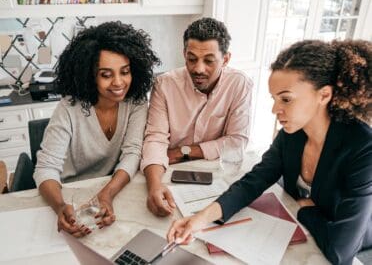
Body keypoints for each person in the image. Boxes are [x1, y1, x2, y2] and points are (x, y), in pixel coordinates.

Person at [167, 39, 372, 265]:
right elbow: (256, 180)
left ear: (323, 95)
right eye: (274, 99)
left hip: (351, 241)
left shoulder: (363, 149)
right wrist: (199, 219)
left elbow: (340, 251)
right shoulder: (293, 133)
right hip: (307, 234)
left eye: (286, 99)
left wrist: (305, 211)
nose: (275, 109)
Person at [33, 21, 160, 237]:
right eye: (106, 74)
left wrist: (107, 194)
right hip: (69, 192)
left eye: (125, 72)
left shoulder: (136, 101)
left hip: (112, 188)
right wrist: (60, 206)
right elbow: (45, 168)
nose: (119, 83)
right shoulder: (69, 108)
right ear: (90, 75)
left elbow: (133, 152)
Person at [141, 17, 253, 217]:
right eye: (192, 59)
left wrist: (183, 151)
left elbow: (237, 142)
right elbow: (155, 139)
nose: (198, 68)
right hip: (168, 172)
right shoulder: (164, 85)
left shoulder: (239, 84)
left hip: (218, 177)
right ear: (184, 54)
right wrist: (154, 186)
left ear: (225, 59)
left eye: (209, 61)